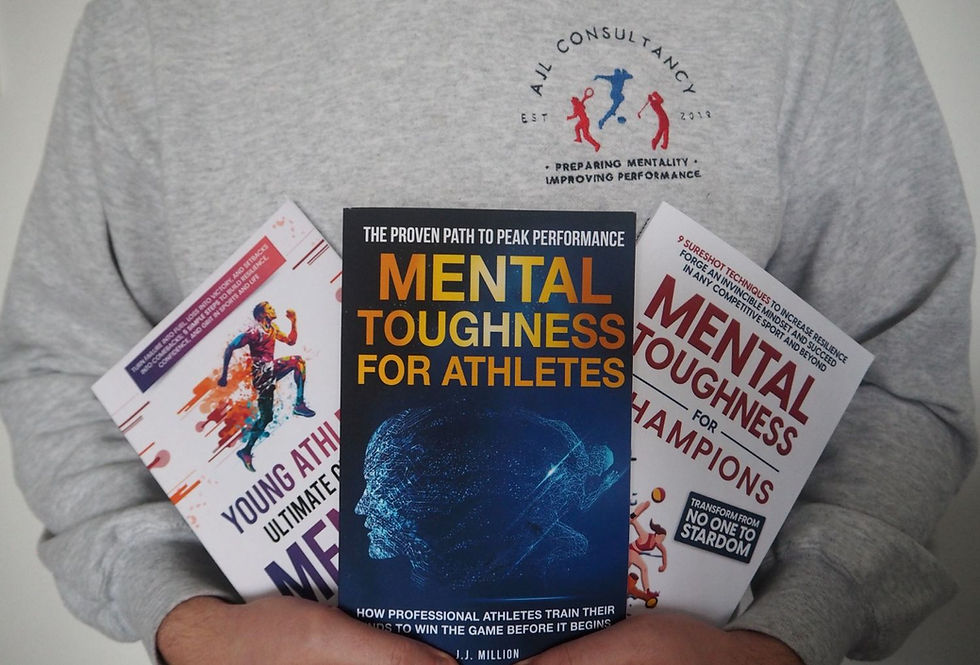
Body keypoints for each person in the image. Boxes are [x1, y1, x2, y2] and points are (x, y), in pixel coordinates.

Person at [0, 2, 974, 665]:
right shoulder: (152, 25)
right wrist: (185, 621)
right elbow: (62, 351)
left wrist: (781, 633)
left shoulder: (808, 15)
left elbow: (903, 355)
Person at [217, 301, 315, 471]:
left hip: (271, 370)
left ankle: (299, 403)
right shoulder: (254, 333)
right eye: (269, 308)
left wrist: (293, 321)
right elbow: (230, 347)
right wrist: (224, 375)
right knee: (266, 418)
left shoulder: (274, 329)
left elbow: (291, 341)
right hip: (262, 376)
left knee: (298, 362)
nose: (274, 309)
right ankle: (246, 451)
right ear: (262, 315)